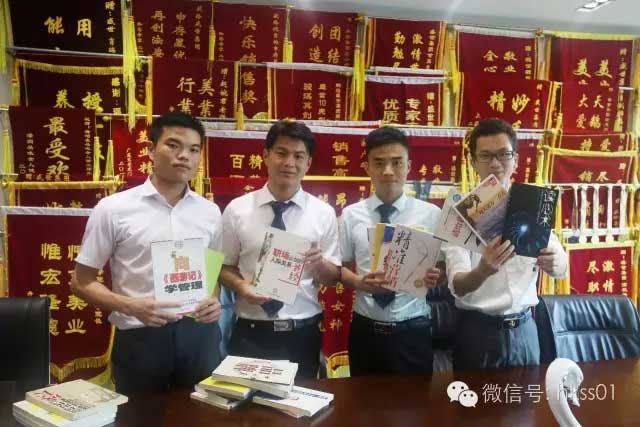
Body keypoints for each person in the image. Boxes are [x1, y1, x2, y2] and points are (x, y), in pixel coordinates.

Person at [72, 111, 222, 394]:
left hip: (199, 336)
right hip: (140, 337)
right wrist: (131, 306)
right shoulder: (113, 209)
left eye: (193, 149)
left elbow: (211, 273)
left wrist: (213, 300)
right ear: (151, 150)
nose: (184, 156)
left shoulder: (210, 212)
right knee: (140, 414)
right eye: (173, 145)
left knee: (203, 412)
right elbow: (81, 282)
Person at [443, 118, 568, 370]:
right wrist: (482, 271)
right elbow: (457, 286)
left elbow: (561, 268)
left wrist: (555, 262)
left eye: (504, 154)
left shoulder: (533, 203)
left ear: (516, 160)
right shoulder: (460, 214)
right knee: (477, 397)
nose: (495, 163)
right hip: (478, 333)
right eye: (485, 156)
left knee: (525, 396)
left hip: (526, 330)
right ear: (473, 162)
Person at [220, 120, 341, 380]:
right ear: (265, 155)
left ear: (308, 163)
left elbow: (332, 278)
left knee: (299, 403)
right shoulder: (237, 210)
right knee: (245, 404)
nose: (289, 163)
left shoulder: (323, 213)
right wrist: (241, 286)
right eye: (281, 153)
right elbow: (224, 267)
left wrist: (319, 264)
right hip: (250, 331)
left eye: (299, 156)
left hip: (302, 333)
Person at [339, 126, 443, 376]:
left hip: (413, 330)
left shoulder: (431, 215)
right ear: (367, 167)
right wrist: (359, 282)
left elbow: (444, 268)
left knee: (415, 400)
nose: (388, 171)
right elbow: (338, 267)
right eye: (379, 163)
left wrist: (437, 276)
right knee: (363, 398)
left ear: (409, 166)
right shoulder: (351, 215)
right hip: (366, 330)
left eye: (397, 162)